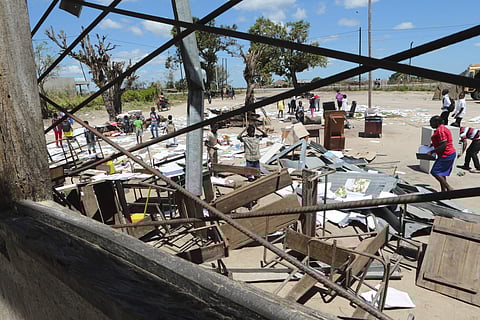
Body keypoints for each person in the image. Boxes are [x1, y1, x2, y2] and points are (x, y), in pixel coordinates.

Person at [427, 116, 456, 192]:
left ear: (437, 122)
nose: (430, 124)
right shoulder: (442, 128)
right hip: (449, 153)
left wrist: (432, 151)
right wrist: (434, 144)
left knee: (435, 172)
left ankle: (449, 188)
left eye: (431, 122)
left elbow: (443, 145)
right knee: (442, 173)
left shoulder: (440, 131)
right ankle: (443, 191)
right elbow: (441, 141)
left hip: (446, 154)